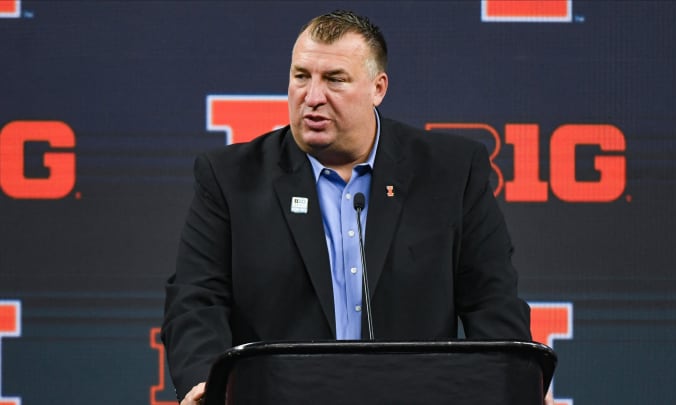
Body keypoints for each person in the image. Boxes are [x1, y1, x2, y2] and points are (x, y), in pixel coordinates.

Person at [162, 10, 536, 405]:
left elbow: (491, 301)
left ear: (378, 88)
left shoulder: (451, 172)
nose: (312, 97)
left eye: (335, 80)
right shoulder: (230, 177)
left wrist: (515, 385)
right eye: (301, 76)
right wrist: (205, 381)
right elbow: (196, 298)